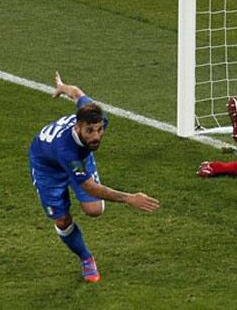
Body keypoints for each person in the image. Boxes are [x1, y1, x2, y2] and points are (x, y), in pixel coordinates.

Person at [29, 72, 160, 283]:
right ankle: (86, 258)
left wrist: (62, 87)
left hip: (79, 160)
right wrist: (129, 198)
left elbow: (77, 93)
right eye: (90, 131)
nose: (96, 136)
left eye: (99, 130)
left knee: (94, 210)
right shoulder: (66, 149)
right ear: (77, 127)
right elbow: (90, 187)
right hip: (47, 166)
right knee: (62, 220)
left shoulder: (95, 116)